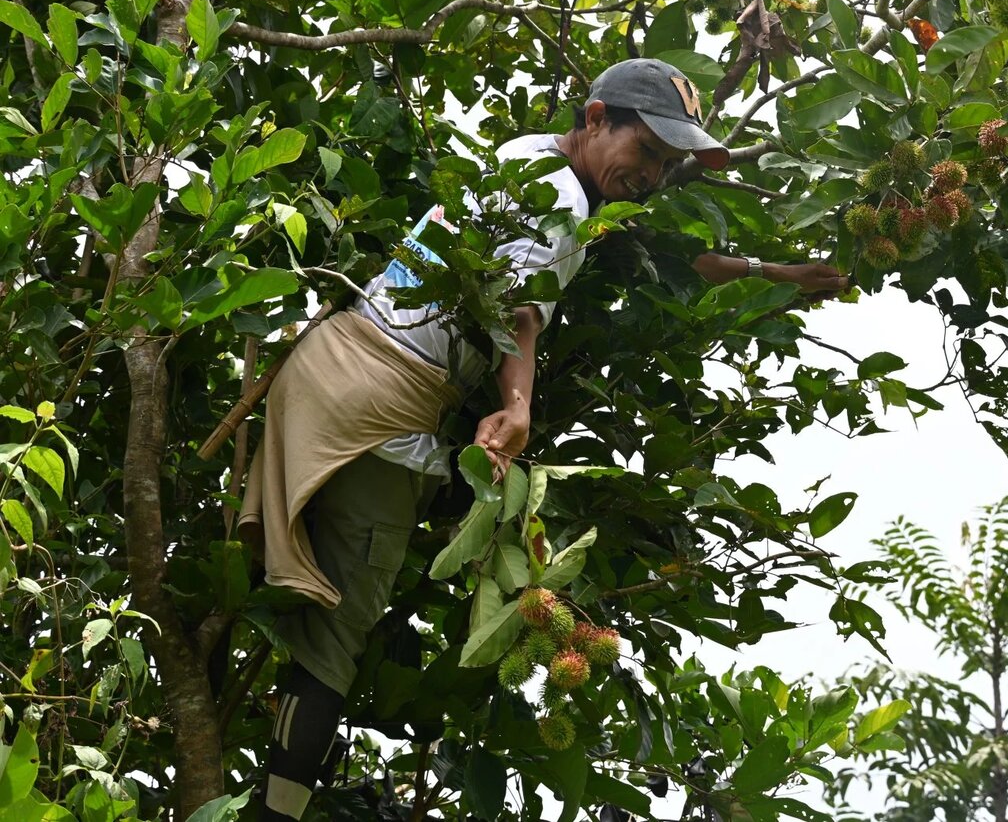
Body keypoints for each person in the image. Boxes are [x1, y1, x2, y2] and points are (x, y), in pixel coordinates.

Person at [239, 57, 847, 821]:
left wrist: (781, 271)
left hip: (328, 365)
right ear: (596, 119)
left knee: (279, 589)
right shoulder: (561, 203)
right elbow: (520, 312)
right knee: (335, 639)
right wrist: (517, 405)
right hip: (382, 404)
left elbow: (658, 254)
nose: (653, 176)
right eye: (645, 152)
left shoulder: (531, 161)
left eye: (666, 163)